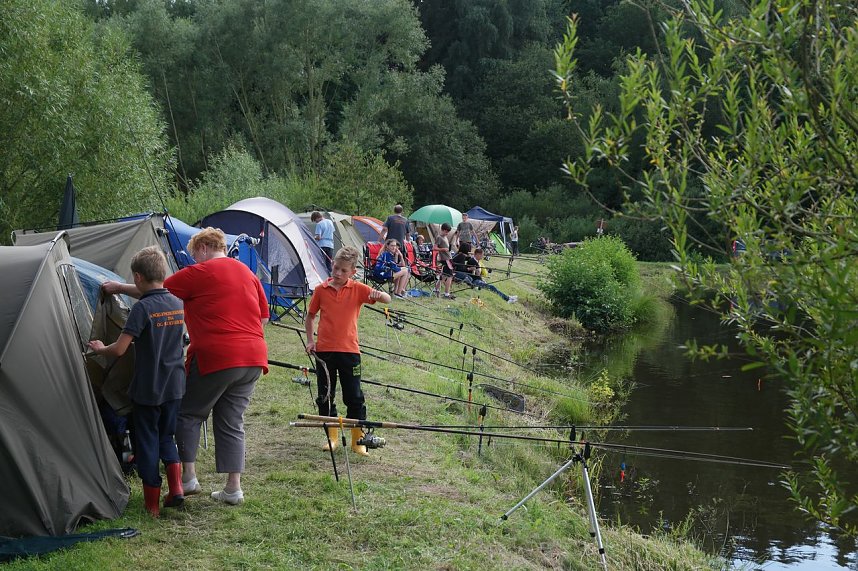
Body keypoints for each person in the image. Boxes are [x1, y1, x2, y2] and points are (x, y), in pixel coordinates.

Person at [103, 227, 269, 506]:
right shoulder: (248, 274)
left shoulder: (199, 273)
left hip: (217, 356)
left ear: (203, 247)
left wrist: (118, 287)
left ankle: (189, 477)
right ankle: (233, 488)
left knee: (188, 414)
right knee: (232, 421)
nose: (193, 260)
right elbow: (263, 318)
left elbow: (154, 290)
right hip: (253, 357)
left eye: (194, 254)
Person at [88, 246, 186, 517]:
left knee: (146, 441)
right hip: (175, 386)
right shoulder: (177, 303)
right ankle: (176, 488)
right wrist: (120, 287)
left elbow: (119, 350)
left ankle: (151, 505)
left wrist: (99, 348)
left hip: (148, 389)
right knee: (167, 436)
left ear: (138, 277)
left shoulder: (142, 309)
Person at [305, 246, 391, 456]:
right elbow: (310, 316)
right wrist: (310, 340)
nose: (337, 273)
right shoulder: (320, 290)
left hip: (350, 352)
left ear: (353, 272)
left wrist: (379, 295)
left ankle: (358, 439)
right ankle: (331, 437)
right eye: (335, 268)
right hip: (324, 352)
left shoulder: (358, 289)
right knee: (325, 395)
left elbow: (388, 299)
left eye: (343, 270)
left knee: (354, 396)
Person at [434, 223, 455, 299]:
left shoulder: (445, 237)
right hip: (445, 259)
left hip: (448, 258)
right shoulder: (439, 237)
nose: (447, 233)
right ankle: (446, 294)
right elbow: (434, 248)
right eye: (446, 231)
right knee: (449, 276)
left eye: (448, 232)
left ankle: (436, 289)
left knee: (444, 276)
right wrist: (443, 249)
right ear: (442, 230)